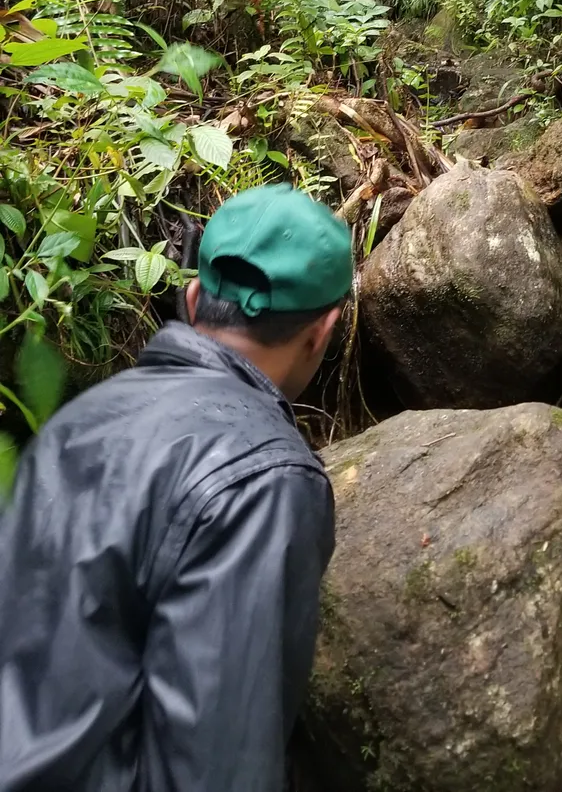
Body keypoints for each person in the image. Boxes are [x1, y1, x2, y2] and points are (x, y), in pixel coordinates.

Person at [0, 182, 352, 792]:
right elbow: (218, 762)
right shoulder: (265, 480)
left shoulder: (76, 422)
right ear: (323, 329)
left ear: (193, 297)